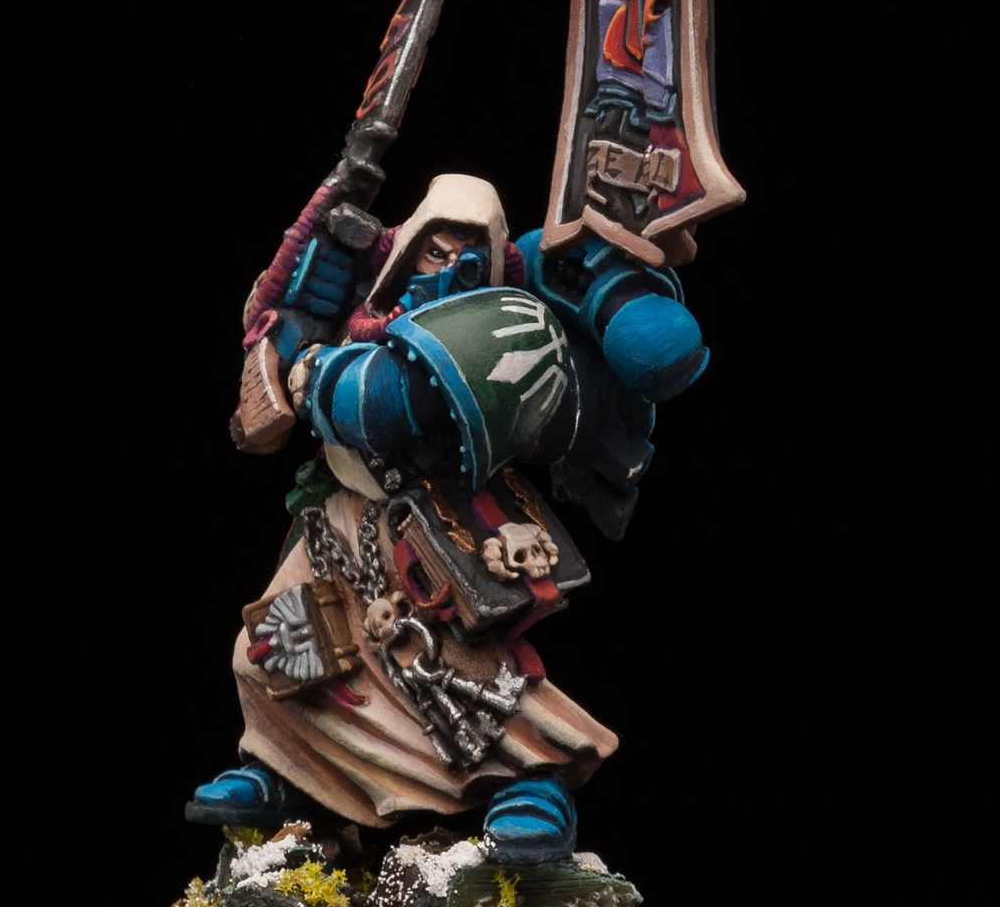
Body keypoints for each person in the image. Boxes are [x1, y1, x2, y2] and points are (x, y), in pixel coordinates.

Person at [189, 174, 707, 862]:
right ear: (409, 248)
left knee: (466, 665)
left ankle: (531, 785)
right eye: (435, 249)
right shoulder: (365, 292)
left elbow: (381, 405)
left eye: (468, 252)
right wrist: (293, 332)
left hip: (444, 517)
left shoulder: (504, 318)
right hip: (342, 512)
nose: (448, 264)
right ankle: (281, 765)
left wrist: (316, 376)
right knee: (279, 649)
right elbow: (281, 333)